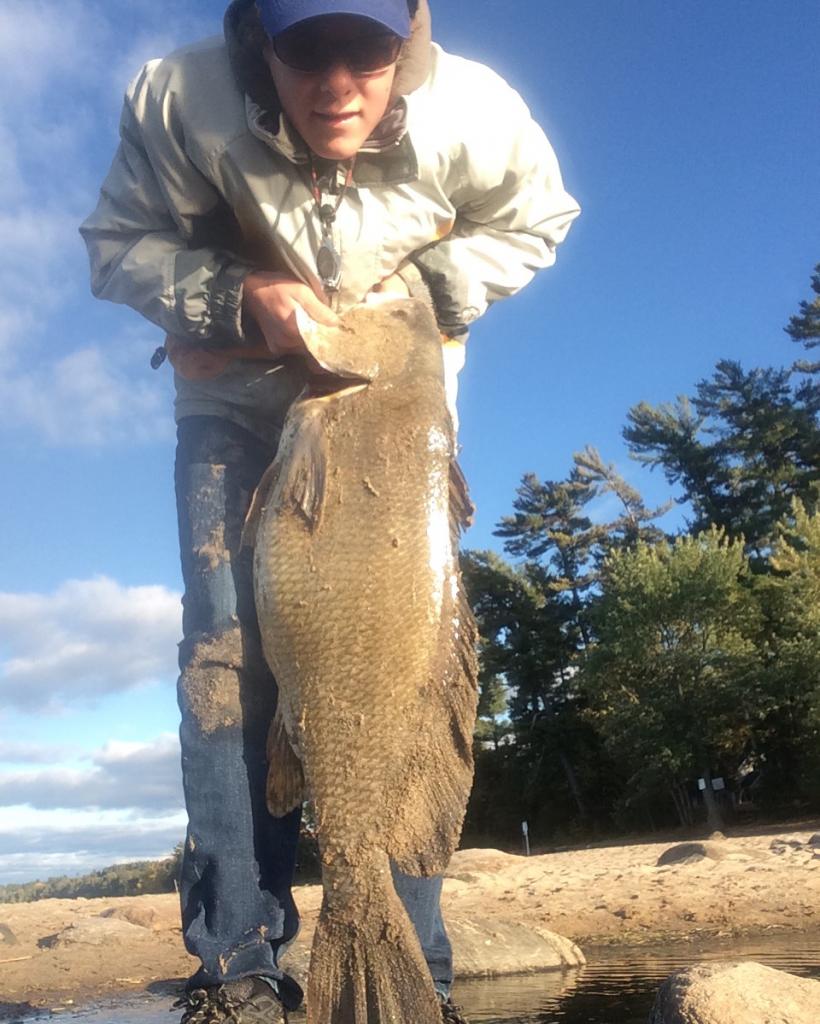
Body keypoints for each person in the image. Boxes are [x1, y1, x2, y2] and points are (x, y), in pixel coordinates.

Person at [80, 1, 579, 1021]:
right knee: (226, 660)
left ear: (409, 36)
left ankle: (411, 967)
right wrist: (234, 300)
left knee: (409, 665)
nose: (339, 82)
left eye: (368, 49)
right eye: (308, 48)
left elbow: (540, 219)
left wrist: (423, 287)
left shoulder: (477, 115)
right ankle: (239, 968)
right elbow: (118, 245)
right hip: (231, 403)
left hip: (390, 429)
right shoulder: (177, 100)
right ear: (259, 37)